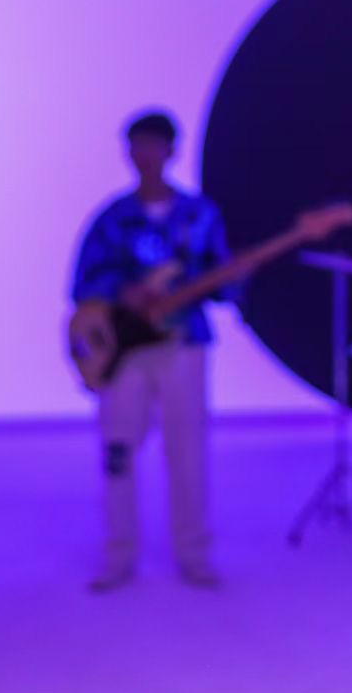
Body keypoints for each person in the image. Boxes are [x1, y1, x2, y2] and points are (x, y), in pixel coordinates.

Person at [69, 110, 234, 592]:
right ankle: (119, 553)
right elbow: (84, 281)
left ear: (171, 151)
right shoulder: (112, 218)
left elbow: (224, 280)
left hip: (182, 343)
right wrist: (124, 292)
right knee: (118, 448)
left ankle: (194, 553)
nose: (144, 155)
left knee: (187, 451)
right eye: (136, 146)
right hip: (126, 349)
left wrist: (223, 281)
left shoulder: (200, 217)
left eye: (153, 145)